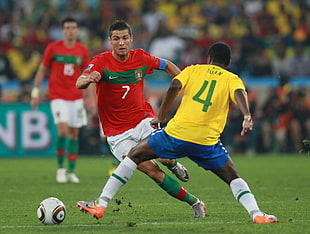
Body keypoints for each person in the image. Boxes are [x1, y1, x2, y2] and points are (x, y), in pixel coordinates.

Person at [79, 42, 280, 223]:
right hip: (206, 142)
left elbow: (175, 84)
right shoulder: (232, 78)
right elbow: (240, 92)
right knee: (233, 177)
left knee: (135, 156)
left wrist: (161, 116)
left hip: (177, 134)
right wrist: (247, 116)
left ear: (208, 58)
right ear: (228, 62)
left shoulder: (193, 70)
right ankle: (257, 214)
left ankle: (101, 203)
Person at [76, 20, 205, 219]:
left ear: (131, 39)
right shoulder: (100, 62)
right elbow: (79, 82)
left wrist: (186, 86)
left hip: (143, 121)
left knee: (165, 158)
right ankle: (195, 203)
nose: (121, 43)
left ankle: (173, 164)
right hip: (117, 134)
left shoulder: (141, 58)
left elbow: (167, 65)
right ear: (110, 41)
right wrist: (88, 79)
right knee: (153, 172)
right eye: (116, 39)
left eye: (125, 38)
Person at [30, 17, 93, 183]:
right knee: (63, 131)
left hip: (76, 97)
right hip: (58, 96)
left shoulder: (82, 50)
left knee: (74, 134)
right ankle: (60, 168)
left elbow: (88, 75)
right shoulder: (53, 48)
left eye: (73, 27)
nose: (70, 30)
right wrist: (35, 92)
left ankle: (71, 171)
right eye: (67, 27)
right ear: (63, 30)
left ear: (77, 30)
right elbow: (42, 69)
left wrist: (90, 99)